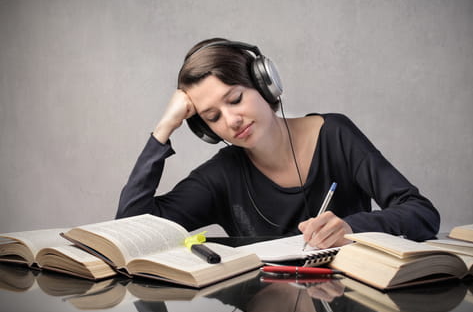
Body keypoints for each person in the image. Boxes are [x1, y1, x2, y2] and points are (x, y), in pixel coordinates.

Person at [116, 38, 440, 248]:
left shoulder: (335, 134)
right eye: (213, 117)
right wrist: (164, 128)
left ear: (264, 85)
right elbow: (131, 229)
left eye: (236, 99)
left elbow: (422, 214)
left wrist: (352, 227)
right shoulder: (221, 175)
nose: (231, 121)